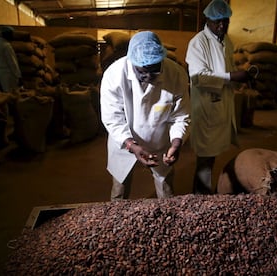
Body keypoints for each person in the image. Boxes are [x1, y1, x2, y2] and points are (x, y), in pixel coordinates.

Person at [100, 31, 191, 200]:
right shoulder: (114, 75)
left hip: (161, 141)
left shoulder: (176, 74)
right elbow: (113, 118)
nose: (149, 77)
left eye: (154, 71)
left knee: (167, 193)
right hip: (125, 142)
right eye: (142, 72)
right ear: (132, 62)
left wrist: (177, 143)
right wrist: (131, 145)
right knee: (119, 192)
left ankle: (168, 217)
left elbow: (180, 116)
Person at [185, 0, 251, 194]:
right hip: (207, 107)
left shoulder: (226, 40)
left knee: (212, 155)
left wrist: (240, 76)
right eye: (217, 22)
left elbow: (226, 68)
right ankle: (200, 197)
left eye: (225, 21)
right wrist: (231, 77)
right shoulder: (198, 43)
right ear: (208, 20)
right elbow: (198, 78)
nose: (222, 25)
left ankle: (203, 193)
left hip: (221, 104)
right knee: (205, 156)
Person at [0, 26, 22, 92]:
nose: (12, 36)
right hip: (10, 75)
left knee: (6, 92)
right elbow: (12, 63)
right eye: (11, 34)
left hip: (1, 73)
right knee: (13, 94)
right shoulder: (7, 46)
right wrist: (18, 76)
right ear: (7, 35)